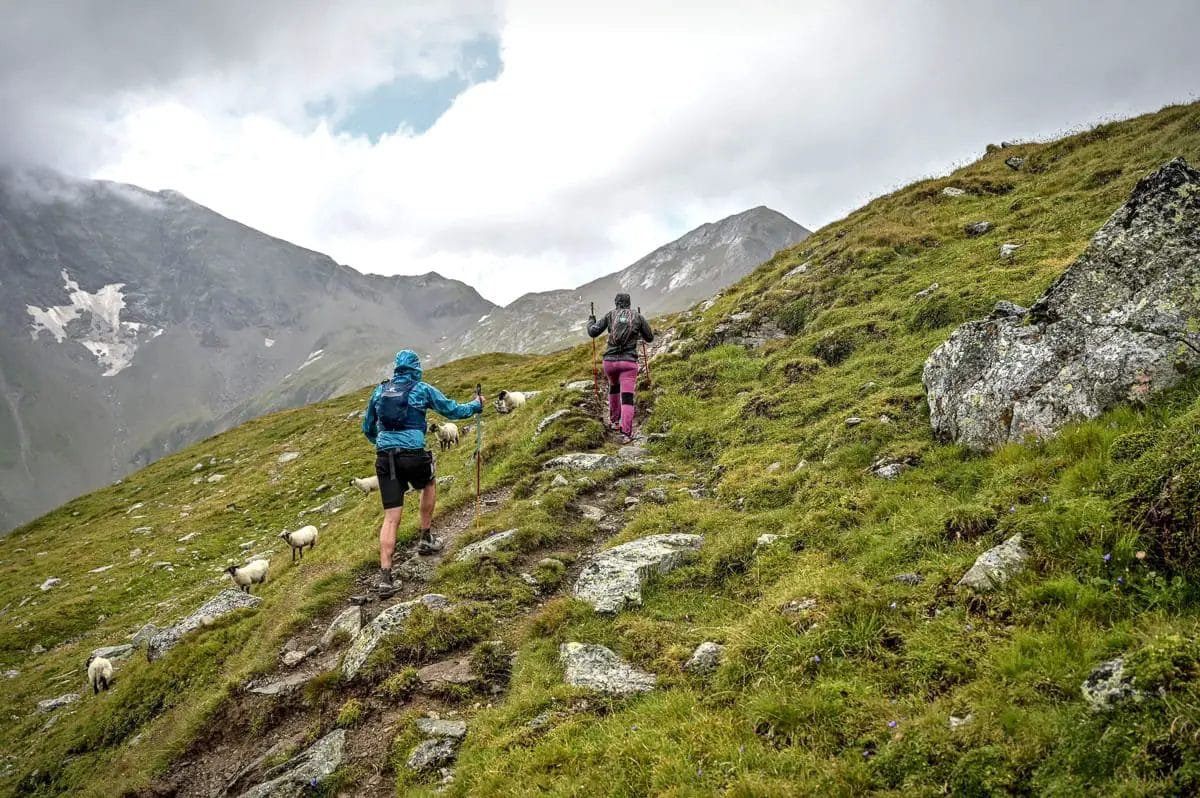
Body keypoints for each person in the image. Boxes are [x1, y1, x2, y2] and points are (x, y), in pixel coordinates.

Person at [362, 350, 482, 598]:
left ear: (396, 368)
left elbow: (367, 427)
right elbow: (453, 411)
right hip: (414, 454)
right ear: (416, 368)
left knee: (391, 517)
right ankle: (426, 537)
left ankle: (386, 577)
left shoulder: (380, 391)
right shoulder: (421, 389)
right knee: (428, 483)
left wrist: (381, 442)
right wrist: (477, 405)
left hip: (386, 459)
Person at [587, 293, 654, 443]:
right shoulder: (637, 316)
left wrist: (591, 321)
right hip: (628, 363)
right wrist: (641, 325)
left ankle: (614, 421)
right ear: (629, 303)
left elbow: (593, 332)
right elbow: (649, 338)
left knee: (614, 388)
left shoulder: (610, 315)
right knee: (627, 398)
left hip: (610, 362)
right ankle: (626, 434)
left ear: (616, 302)